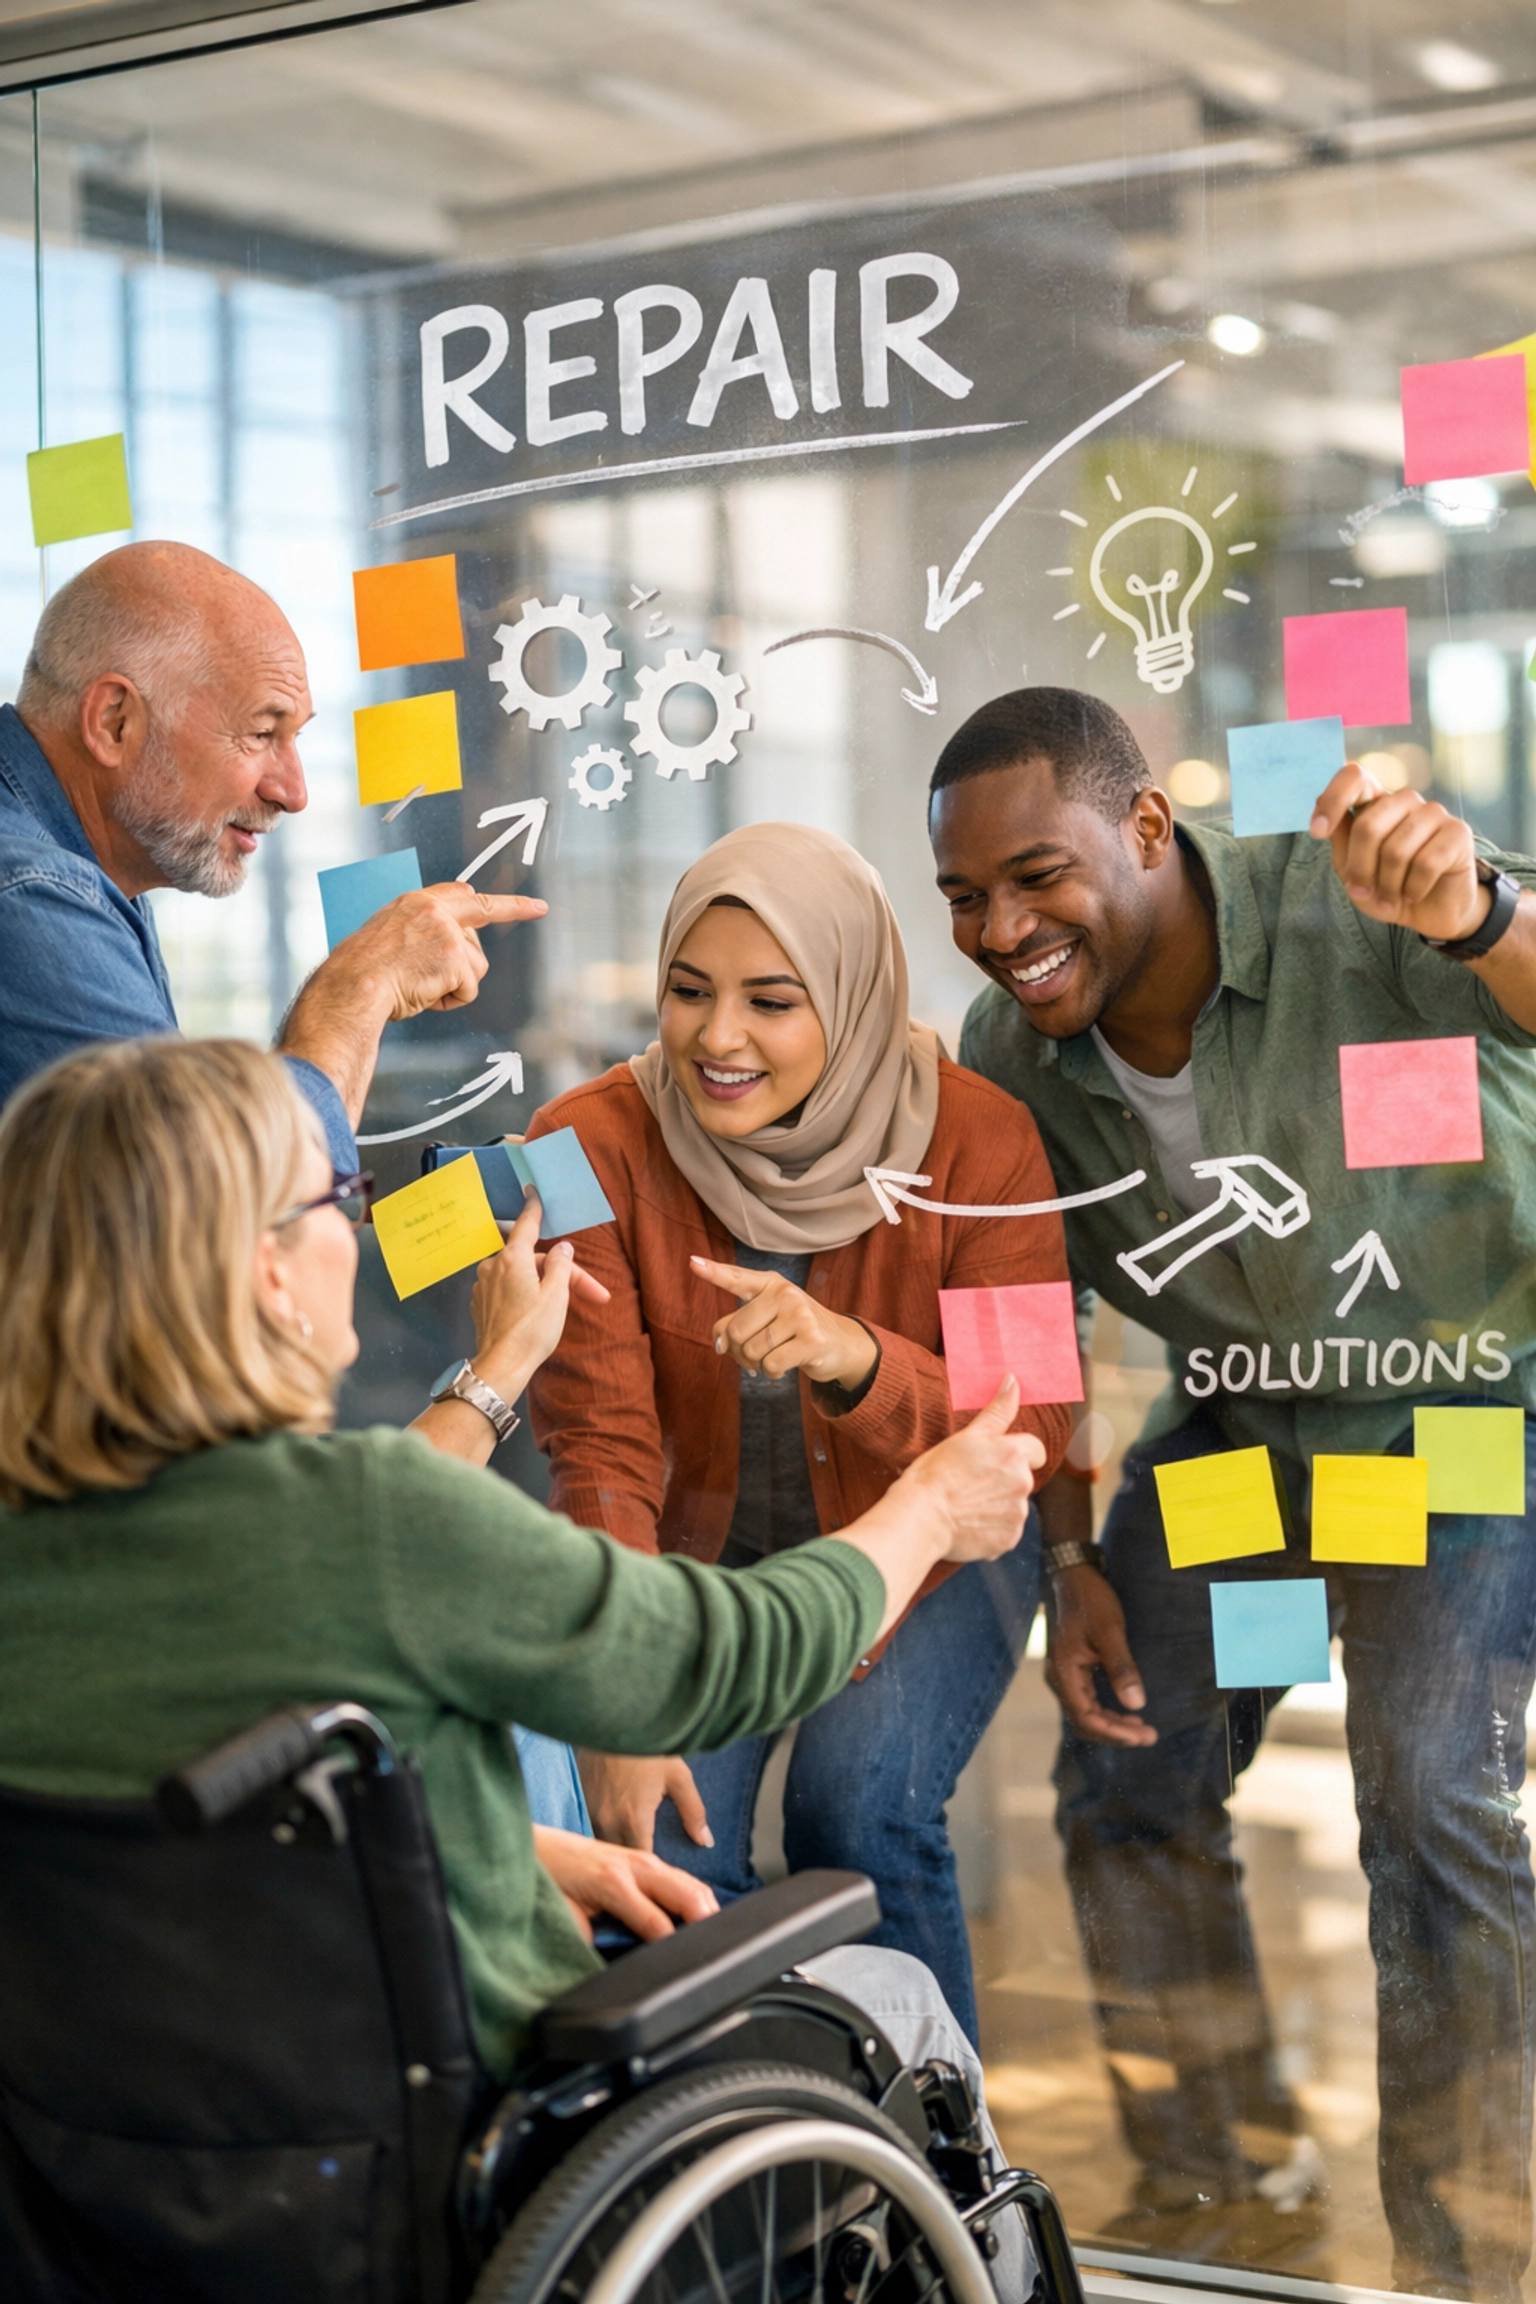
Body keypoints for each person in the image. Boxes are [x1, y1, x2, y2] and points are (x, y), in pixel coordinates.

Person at [0, 1034, 1043, 2141]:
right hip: (460, 2131)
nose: (359, 1231)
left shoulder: (37, 1547)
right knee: (906, 2010)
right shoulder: (376, 1517)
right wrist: (929, 1507)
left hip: (120, 2162)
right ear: (266, 1271)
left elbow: (190, 1826)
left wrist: (497, 1846)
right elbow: (728, 1655)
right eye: (339, 1200)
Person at [929, 685, 1536, 2299]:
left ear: (1145, 830)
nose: (999, 928)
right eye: (965, 896)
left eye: (1034, 876)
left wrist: (1481, 915)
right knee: (1133, 1765)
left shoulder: (1356, 909)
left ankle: (1470, 2246)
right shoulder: (1016, 1053)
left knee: (1428, 1801)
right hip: (1245, 1448)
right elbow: (1016, 1316)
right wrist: (1069, 1557)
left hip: (1457, 1423)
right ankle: (1212, 2175)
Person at [523, 821, 1072, 2044]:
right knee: (659, 1829)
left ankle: (934, 2176)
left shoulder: (982, 1141)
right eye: (688, 991)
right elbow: (600, 1447)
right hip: (691, 1567)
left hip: (928, 1560)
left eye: (772, 1001)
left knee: (858, 1807)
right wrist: (624, 1694)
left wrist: (856, 1360)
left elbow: (1029, 1420)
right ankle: (739, 2158)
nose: (718, 1038)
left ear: (853, 996)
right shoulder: (583, 1144)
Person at [0, 541, 543, 1167]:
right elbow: (217, 1211)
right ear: (114, 720)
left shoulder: (92, 876)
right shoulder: (30, 897)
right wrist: (361, 986)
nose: (294, 792)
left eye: (297, 738)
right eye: (261, 733)